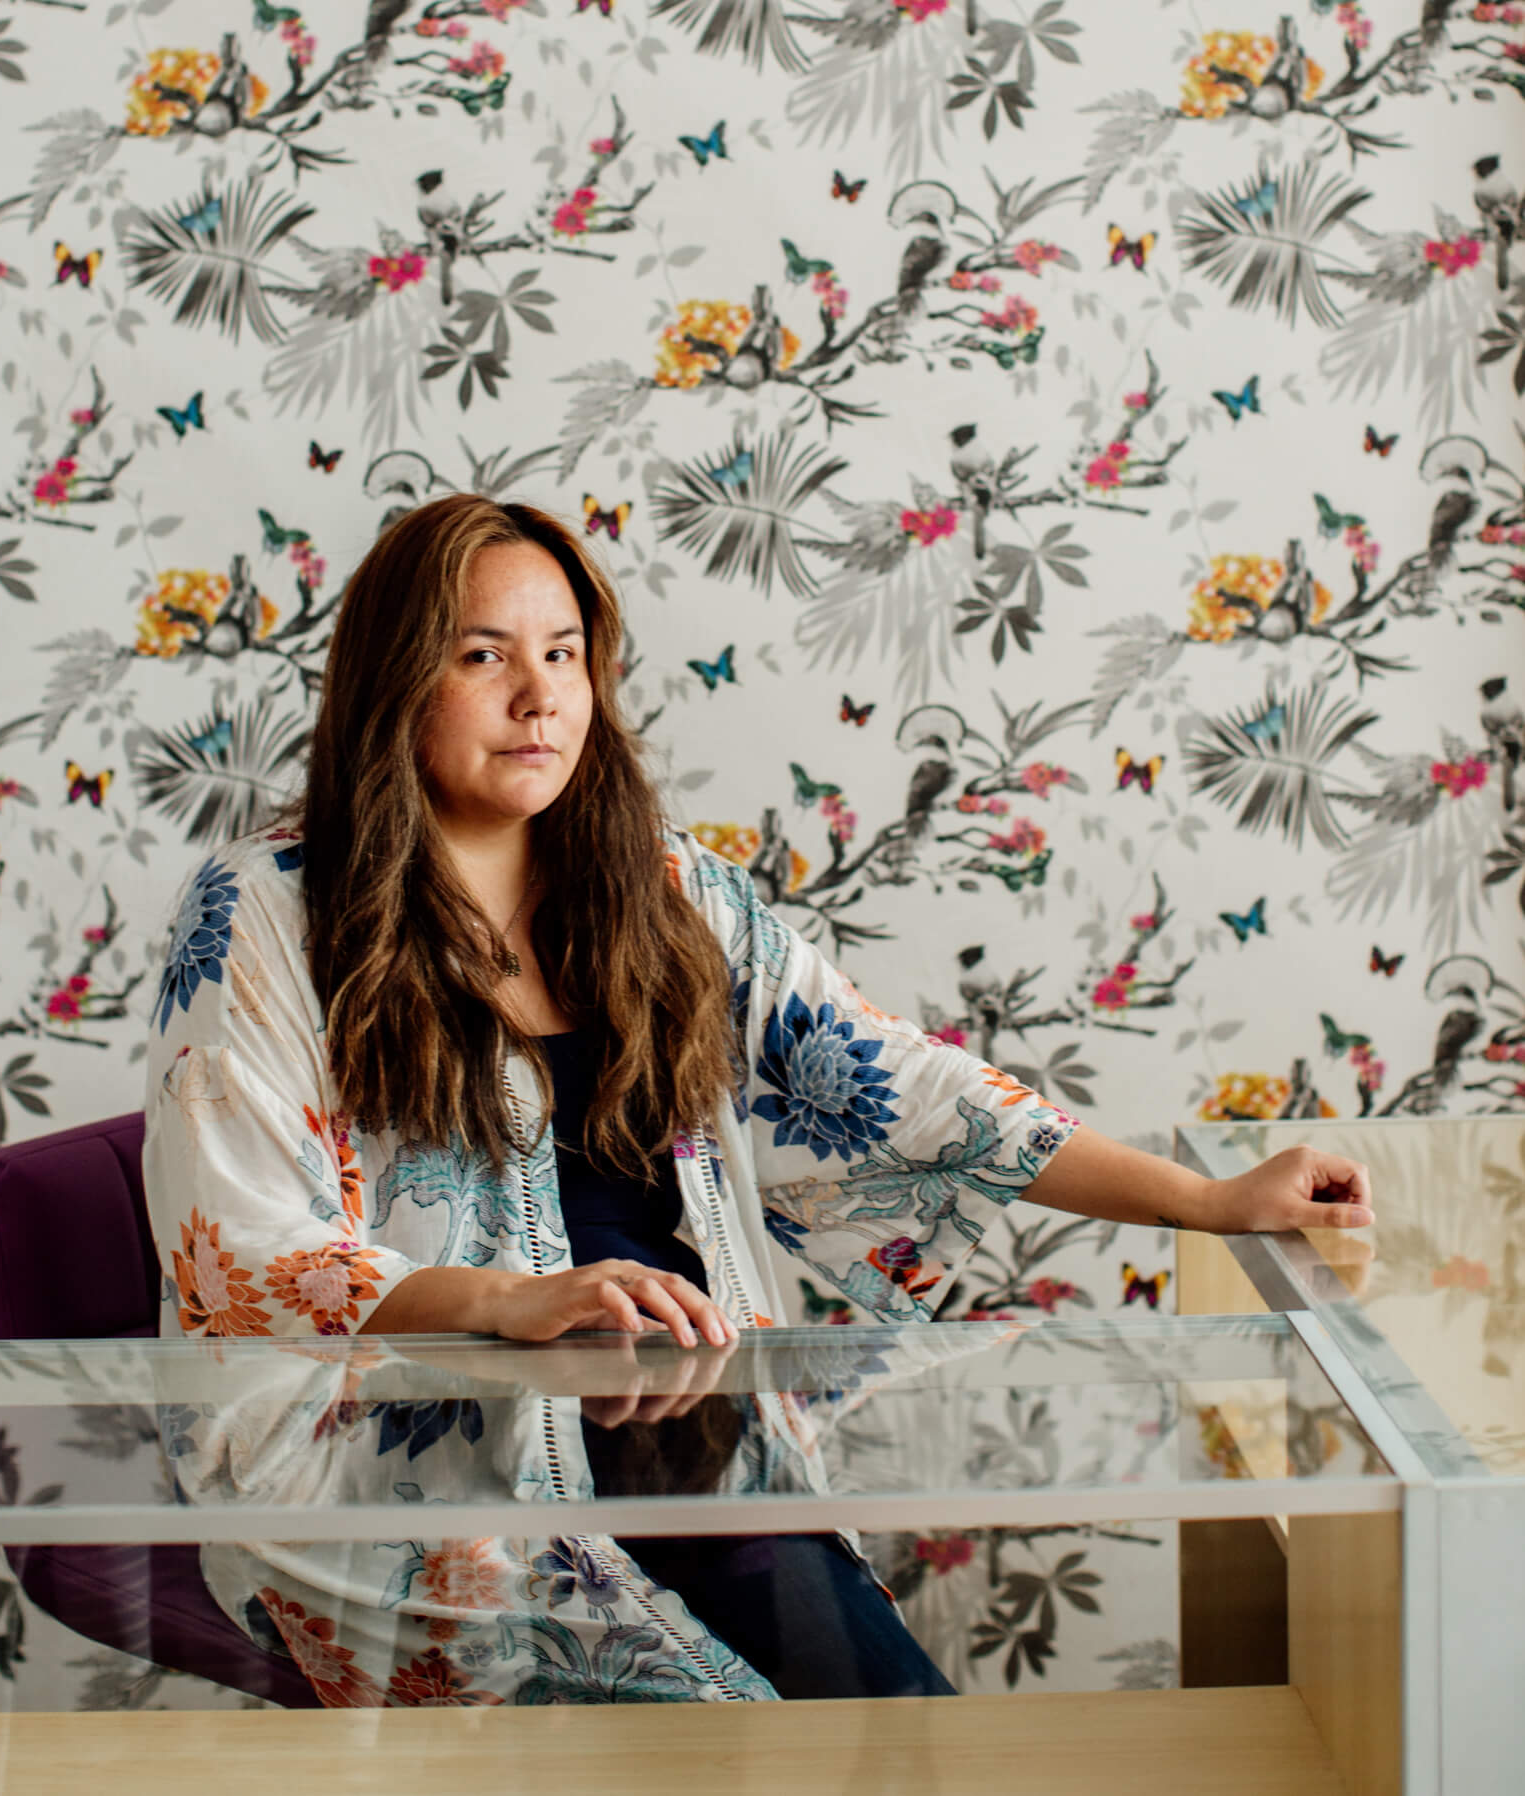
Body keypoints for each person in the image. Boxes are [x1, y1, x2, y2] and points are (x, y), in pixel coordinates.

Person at [142, 493, 1372, 1708]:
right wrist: (512, 1302)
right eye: (483, 655)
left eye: (563, 653)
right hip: (418, 1483)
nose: (540, 695)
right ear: (393, 678)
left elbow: (896, 1082)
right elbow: (242, 1245)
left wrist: (1206, 1201)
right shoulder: (265, 913)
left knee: (896, 1735)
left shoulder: (658, 884)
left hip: (693, 1432)